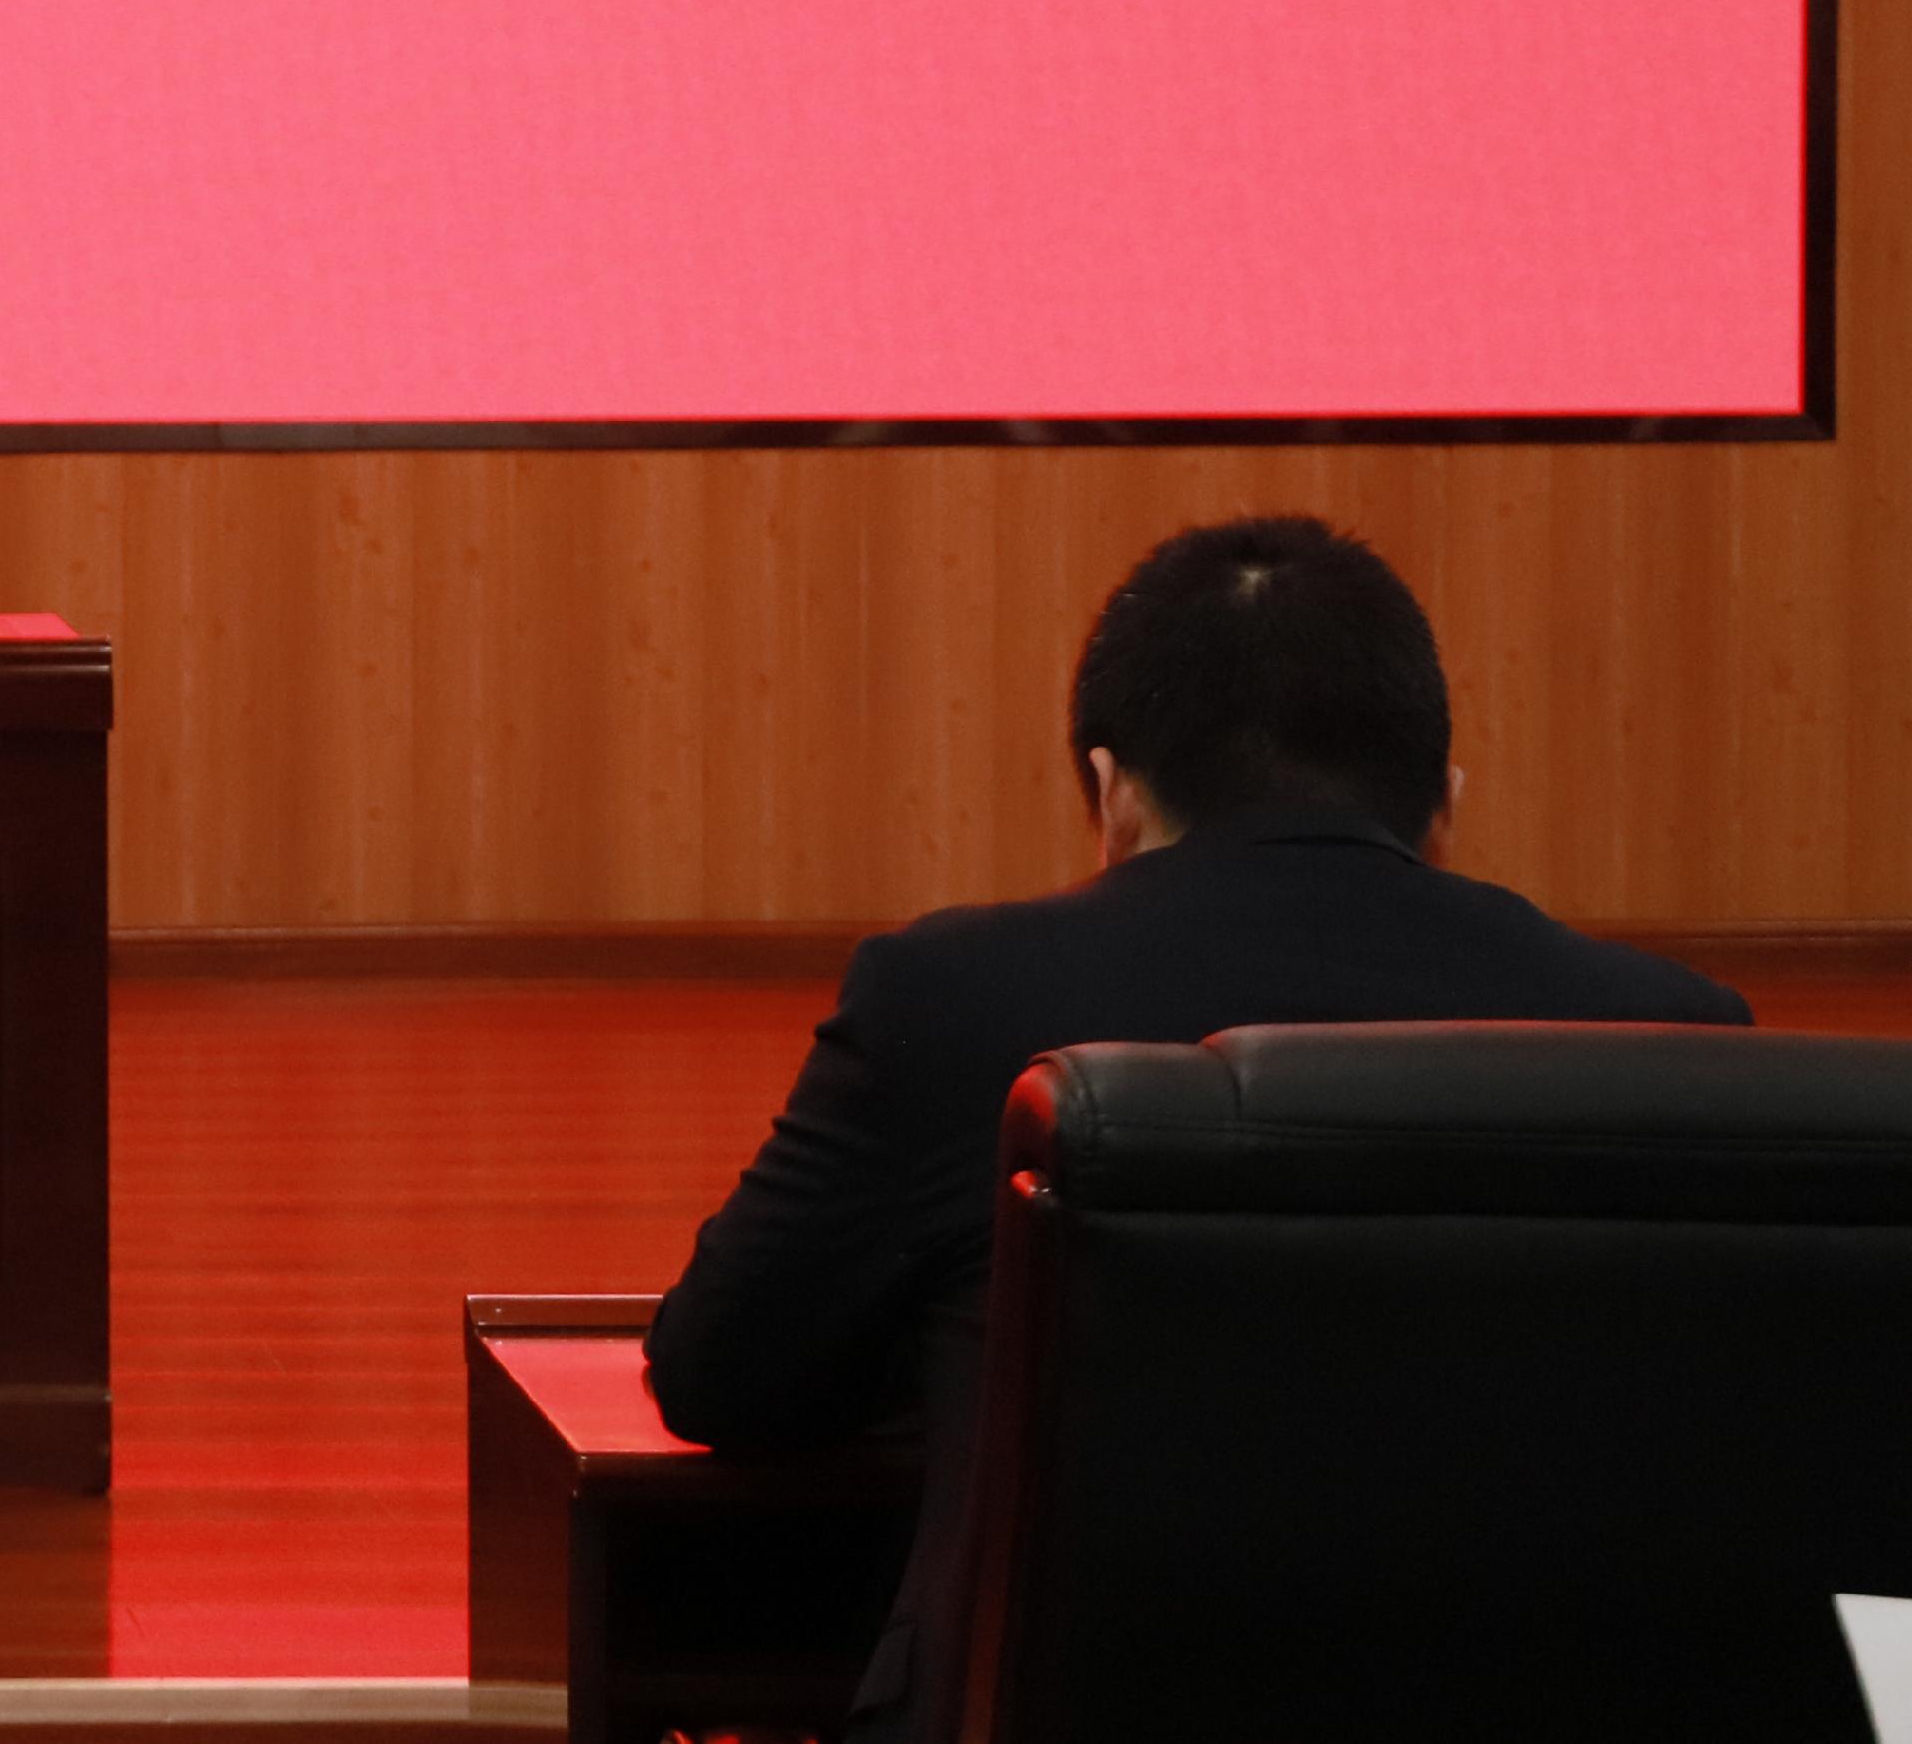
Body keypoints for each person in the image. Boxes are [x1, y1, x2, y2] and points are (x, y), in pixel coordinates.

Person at [642, 515, 1748, 1742]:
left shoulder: (955, 1001)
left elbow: (723, 1371)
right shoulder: (1675, 1035)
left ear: (1111, 793)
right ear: (1445, 805)